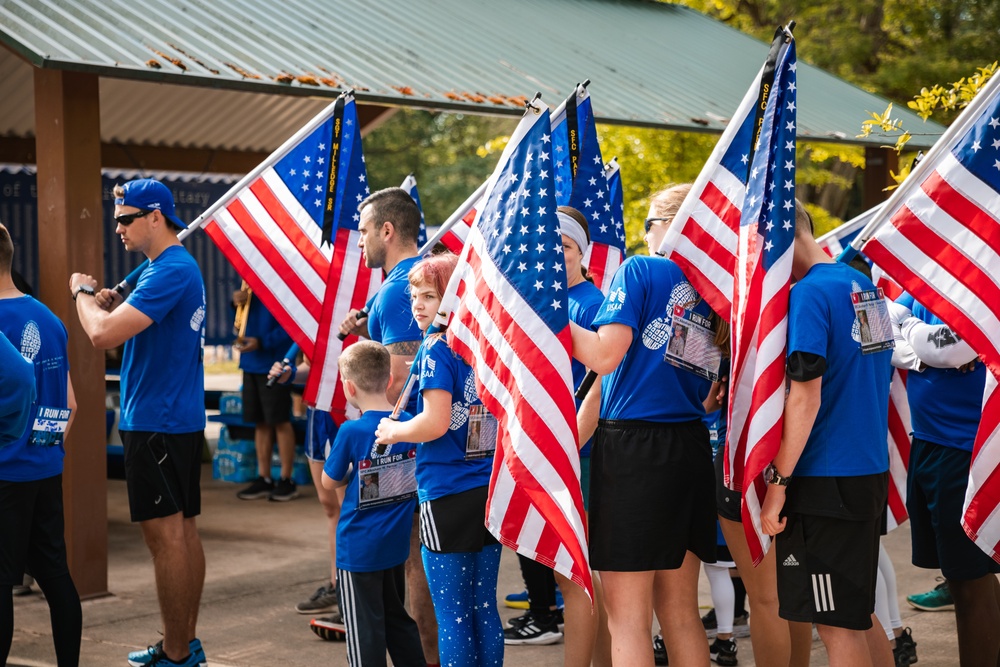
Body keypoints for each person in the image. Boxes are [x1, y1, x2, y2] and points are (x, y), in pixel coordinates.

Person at [570, 184, 717, 666]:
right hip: (689, 445)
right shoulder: (717, 288)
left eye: (650, 223)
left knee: (627, 617)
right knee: (680, 611)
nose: (643, 233)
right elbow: (603, 385)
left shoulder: (640, 269)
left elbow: (603, 356)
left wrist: (544, 312)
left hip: (635, 451)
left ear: (672, 228)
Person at [71, 178, 207, 667]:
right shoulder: (165, 269)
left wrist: (82, 295)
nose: (118, 229)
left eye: (126, 219)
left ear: (156, 217)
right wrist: (114, 302)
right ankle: (182, 643)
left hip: (157, 420)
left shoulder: (170, 269)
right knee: (182, 534)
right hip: (172, 417)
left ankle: (175, 652)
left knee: (166, 538)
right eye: (115, 221)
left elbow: (102, 334)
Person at [760, 201, 894, 667]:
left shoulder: (809, 294)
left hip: (826, 478)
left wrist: (777, 484)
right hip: (867, 469)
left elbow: (805, 395)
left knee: (835, 624)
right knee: (857, 613)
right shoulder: (863, 284)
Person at [374, 252, 504, 667]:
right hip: (488, 489)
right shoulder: (484, 339)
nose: (417, 304)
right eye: (414, 295)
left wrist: (393, 430)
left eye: (429, 295)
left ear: (452, 297)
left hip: (448, 492)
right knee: (483, 607)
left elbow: (434, 423)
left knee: (454, 616)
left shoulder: (436, 347)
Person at [338, 187, 438, 663]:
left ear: (387, 230)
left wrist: (380, 434)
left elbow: (399, 379)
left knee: (417, 564)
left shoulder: (401, 288)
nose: (359, 243)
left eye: (362, 232)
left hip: (413, 445)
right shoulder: (414, 282)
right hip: (427, 440)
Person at [889, 292, 1000, 665]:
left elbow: (955, 351)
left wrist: (908, 331)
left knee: (970, 582)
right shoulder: (921, 276)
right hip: (928, 444)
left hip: (966, 450)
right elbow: (877, 332)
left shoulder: (975, 272)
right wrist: (923, 351)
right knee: (964, 577)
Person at [0, 223, 81, 667]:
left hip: (5, 472)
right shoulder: (51, 319)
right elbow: (69, 403)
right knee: (55, 575)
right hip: (45, 468)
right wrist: (43, 450)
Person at [320, 341, 425, 667]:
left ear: (349, 387)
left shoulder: (351, 430)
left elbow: (329, 481)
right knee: (397, 619)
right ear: (390, 379)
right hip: (394, 546)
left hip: (357, 551)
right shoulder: (409, 422)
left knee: (364, 631)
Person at [231, 288, 297, 502]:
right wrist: (235, 303)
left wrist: (262, 342)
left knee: (280, 421)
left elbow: (291, 324)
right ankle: (264, 476)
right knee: (260, 422)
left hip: (274, 362)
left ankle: (286, 479)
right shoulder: (247, 282)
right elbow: (239, 320)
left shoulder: (279, 280)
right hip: (250, 362)